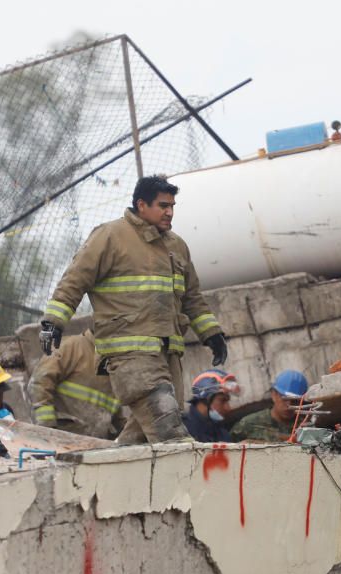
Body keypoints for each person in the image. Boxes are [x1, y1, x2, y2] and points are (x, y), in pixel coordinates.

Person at [39, 175, 227, 445]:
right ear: (141, 204)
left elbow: (192, 298)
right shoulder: (110, 236)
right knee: (170, 433)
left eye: (172, 206)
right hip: (130, 355)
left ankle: (101, 479)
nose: (169, 212)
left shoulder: (176, 246)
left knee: (140, 438)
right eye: (163, 205)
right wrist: (53, 322)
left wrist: (212, 334)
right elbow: (74, 280)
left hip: (167, 354)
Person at [27, 330, 124, 439]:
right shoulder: (71, 347)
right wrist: (47, 429)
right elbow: (39, 384)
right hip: (63, 440)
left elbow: (116, 413)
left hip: (95, 446)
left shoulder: (114, 364)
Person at [231, 370, 309, 443]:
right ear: (273, 394)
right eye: (284, 399)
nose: (289, 405)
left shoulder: (305, 428)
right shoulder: (248, 425)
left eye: (295, 401)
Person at [182, 369, 241, 443]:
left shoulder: (222, 435)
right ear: (205, 399)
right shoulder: (181, 431)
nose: (228, 408)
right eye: (222, 400)